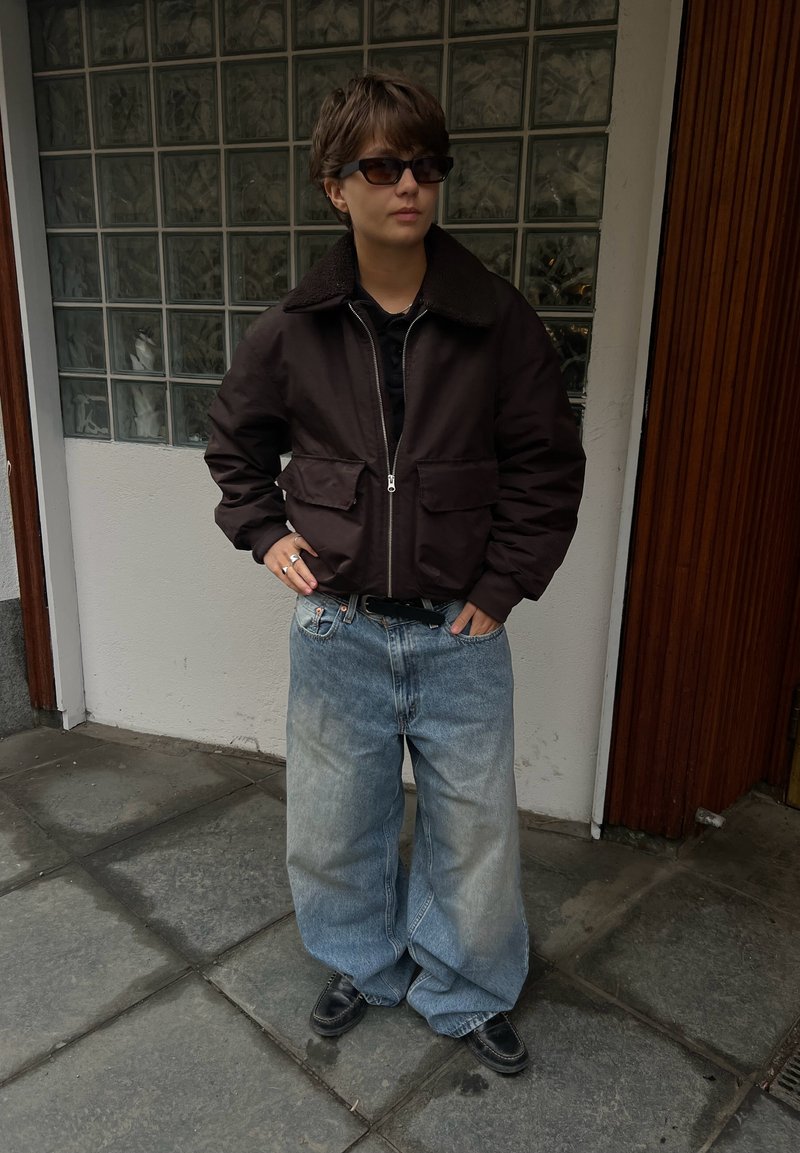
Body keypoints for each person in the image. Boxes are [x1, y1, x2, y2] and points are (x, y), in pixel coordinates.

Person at [204, 73, 585, 1075]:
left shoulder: (494, 320)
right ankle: (361, 964)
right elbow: (232, 444)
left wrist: (499, 589)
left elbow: (546, 464)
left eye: (425, 165)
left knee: (475, 835)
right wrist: (263, 533)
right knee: (333, 824)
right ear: (337, 187)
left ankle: (463, 985)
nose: (407, 183)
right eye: (381, 165)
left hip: (458, 631)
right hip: (339, 629)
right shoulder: (296, 324)